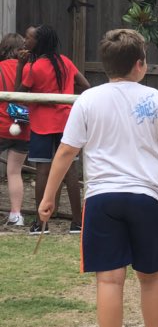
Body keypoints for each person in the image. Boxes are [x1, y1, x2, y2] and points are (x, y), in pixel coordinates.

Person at [37, 28, 158, 327]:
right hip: (147, 197)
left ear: (105, 65)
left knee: (109, 280)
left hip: (102, 198)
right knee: (151, 277)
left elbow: (66, 151)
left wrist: (48, 197)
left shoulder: (88, 100)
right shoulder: (155, 98)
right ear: (140, 64)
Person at [15, 24, 90, 235]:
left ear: (39, 42)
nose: (25, 42)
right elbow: (85, 85)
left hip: (43, 125)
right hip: (67, 124)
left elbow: (18, 94)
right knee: (71, 172)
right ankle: (78, 222)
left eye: (29, 38)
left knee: (43, 171)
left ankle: (41, 224)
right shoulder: (65, 61)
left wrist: (21, 66)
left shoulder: (35, 67)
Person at [0, 33, 28, 226]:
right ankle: (16, 215)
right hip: (23, 125)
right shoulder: (29, 69)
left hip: (1, 125)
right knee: (14, 172)